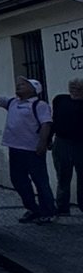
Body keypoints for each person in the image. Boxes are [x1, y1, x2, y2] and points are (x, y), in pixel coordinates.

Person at [0, 77, 55, 222]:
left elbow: (46, 124)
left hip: (32, 150)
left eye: (23, 85)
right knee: (18, 180)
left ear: (34, 89)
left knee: (40, 181)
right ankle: (32, 208)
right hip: (15, 148)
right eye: (19, 84)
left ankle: (48, 211)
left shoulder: (39, 105)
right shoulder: (12, 102)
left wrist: (42, 143)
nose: (19, 86)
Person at [52, 82, 83, 215]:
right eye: (73, 88)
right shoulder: (60, 99)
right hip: (62, 141)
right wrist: (48, 139)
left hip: (80, 143)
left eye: (79, 88)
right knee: (63, 175)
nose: (75, 91)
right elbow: (54, 119)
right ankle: (62, 206)